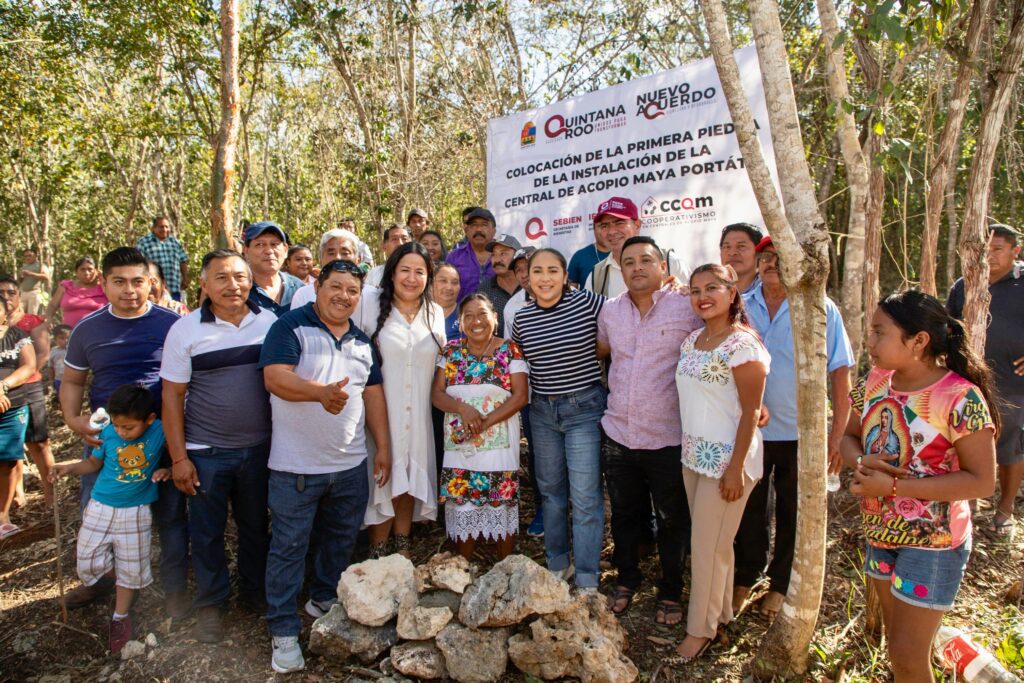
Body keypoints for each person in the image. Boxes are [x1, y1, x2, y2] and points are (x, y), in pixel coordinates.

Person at [842, 290, 998, 682]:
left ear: (918, 341)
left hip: (935, 545)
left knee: (907, 659)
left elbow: (982, 481)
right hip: (880, 534)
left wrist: (892, 490)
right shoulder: (874, 381)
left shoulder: (960, 397)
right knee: (901, 649)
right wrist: (860, 460)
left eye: (880, 333)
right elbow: (847, 437)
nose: (870, 342)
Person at [259, 259, 391, 674]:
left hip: (350, 465)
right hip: (295, 468)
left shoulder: (362, 342)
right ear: (318, 286)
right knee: (288, 549)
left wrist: (383, 448)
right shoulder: (289, 327)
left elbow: (372, 397)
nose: (343, 297)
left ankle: (322, 600)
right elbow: (275, 378)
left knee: (340, 540)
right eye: (336, 287)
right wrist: (318, 393)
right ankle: (282, 630)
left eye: (352, 291)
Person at [59, 247, 189, 617]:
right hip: (108, 437)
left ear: (151, 283)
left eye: (137, 282)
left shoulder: (171, 323)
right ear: (104, 284)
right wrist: (73, 419)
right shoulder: (88, 328)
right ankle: (99, 582)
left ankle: (174, 590)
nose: (129, 290)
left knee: (170, 515)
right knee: (95, 515)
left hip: (162, 436)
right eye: (119, 282)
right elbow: (72, 380)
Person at [733, 236, 855, 619]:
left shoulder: (819, 308)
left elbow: (840, 374)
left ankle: (781, 584)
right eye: (765, 258)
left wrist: (836, 436)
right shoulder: (741, 304)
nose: (771, 264)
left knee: (792, 510)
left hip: (802, 432)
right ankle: (745, 575)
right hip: (749, 431)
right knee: (748, 508)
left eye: (779, 257)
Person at [160, 250, 278, 643]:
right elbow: (172, 397)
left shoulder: (269, 322)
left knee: (255, 527)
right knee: (206, 532)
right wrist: (179, 458)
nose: (233, 286)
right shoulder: (186, 330)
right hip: (206, 452)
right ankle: (211, 604)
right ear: (204, 285)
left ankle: (254, 593)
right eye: (222, 278)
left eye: (241, 277)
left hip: (260, 449)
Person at [595, 237, 701, 624]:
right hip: (619, 432)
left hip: (668, 435)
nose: (637, 267)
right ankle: (626, 580)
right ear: (619, 270)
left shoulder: (686, 306)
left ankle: (671, 591)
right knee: (623, 514)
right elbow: (602, 351)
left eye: (646, 260)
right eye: (629, 262)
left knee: (673, 517)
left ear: (662, 267)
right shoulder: (610, 312)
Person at [673, 263, 769, 663]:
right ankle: (722, 612)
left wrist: (734, 467)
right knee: (715, 544)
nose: (702, 296)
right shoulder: (692, 340)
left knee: (706, 548)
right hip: (694, 456)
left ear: (733, 293)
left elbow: (751, 412)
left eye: (712, 287)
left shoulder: (743, 345)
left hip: (729, 462)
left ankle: (700, 630)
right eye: (695, 290)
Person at [48, 385, 170, 654]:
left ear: (148, 419)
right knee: (87, 561)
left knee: (132, 569)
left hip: (135, 511)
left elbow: (177, 453)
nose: (121, 432)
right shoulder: (108, 432)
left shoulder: (159, 429)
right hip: (100, 505)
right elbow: (93, 464)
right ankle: (119, 580)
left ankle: (121, 616)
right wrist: (68, 468)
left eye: (128, 428)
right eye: (117, 425)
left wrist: (168, 469)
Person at [511, 248, 606, 591]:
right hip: (542, 413)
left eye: (553, 270)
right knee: (550, 493)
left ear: (566, 276)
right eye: (538, 271)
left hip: (584, 409)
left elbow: (623, 320)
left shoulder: (589, 304)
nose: (545, 277)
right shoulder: (521, 320)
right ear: (528, 278)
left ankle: (587, 577)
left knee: (585, 496)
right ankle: (557, 563)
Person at [432, 293, 528, 560]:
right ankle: (463, 570)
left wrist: (482, 423)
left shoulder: (509, 350)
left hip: (499, 448)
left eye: (483, 314)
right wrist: (463, 409)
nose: (476, 321)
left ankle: (506, 569)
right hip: (459, 447)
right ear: (460, 323)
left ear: (495, 319)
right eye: (469, 316)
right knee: (463, 507)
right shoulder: (450, 352)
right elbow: (437, 395)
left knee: (501, 504)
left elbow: (521, 396)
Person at [365, 242, 446, 557]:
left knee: (411, 472)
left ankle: (402, 544)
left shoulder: (434, 312)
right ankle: (377, 548)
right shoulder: (370, 305)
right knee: (383, 476)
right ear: (391, 273)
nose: (412, 278)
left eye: (420, 272)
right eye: (405, 270)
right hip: (382, 411)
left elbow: (441, 364)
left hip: (420, 413)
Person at [947, 223, 1024, 538]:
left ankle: (1004, 511)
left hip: (1014, 384)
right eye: (986, 249)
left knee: (1012, 448)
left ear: (1015, 251)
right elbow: (948, 327)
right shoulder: (964, 285)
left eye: (998, 249)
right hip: (969, 382)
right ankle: (969, 505)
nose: (990, 256)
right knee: (967, 442)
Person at [0, 277, 55, 509]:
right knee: (11, 448)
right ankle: (16, 496)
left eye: (11, 292)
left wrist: (15, 381)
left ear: (19, 295)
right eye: (1, 293)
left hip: (28, 387)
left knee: (38, 443)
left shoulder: (30, 322)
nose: (7, 297)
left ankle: (51, 494)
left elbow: (41, 355)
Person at [501, 246, 542, 538]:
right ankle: (543, 510)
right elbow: (511, 354)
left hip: (571, 391)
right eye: (519, 269)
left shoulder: (573, 295)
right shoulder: (513, 306)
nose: (525, 274)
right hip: (532, 392)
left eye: (530, 266)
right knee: (539, 454)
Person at [585, 197, 689, 297]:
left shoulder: (671, 262)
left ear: (637, 225)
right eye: (604, 226)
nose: (611, 231)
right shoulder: (596, 275)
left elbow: (694, 308)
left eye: (619, 223)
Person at [0, 303, 36, 540]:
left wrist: (2, 386)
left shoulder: (18, 336)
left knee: (8, 462)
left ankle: (3, 518)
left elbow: (29, 366)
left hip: (12, 408)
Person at [242, 221, 303, 315]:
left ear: (286, 250)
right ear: (246, 251)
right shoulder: (240, 291)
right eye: (260, 244)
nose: (269, 251)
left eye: (275, 244)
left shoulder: (299, 289)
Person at [475, 234, 522, 337]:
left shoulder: (529, 286)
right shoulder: (484, 290)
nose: (497, 260)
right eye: (494, 254)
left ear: (517, 256)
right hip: (498, 351)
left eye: (503, 254)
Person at [136, 216, 190, 302]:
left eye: (167, 227)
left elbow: (182, 260)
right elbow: (138, 264)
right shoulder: (144, 242)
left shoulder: (174, 242)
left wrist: (185, 278)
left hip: (174, 287)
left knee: (175, 312)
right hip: (154, 289)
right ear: (154, 228)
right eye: (161, 227)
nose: (164, 229)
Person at [447, 208, 497, 302]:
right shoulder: (454, 257)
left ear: (494, 231)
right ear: (467, 230)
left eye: (484, 225)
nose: (478, 229)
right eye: (474, 225)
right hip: (461, 315)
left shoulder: (503, 257)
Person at [45, 256, 107, 327]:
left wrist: (103, 281)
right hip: (68, 334)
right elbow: (52, 305)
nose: (86, 273)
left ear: (96, 271)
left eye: (90, 269)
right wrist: (48, 319)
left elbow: (115, 305)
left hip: (98, 332)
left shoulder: (104, 288)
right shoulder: (66, 286)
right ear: (76, 272)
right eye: (82, 269)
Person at [719, 223, 764, 294]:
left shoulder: (771, 290)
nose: (732, 253)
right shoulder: (711, 291)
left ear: (758, 253)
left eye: (741, 246)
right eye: (727, 247)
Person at [567, 220, 610, 288]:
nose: (607, 231)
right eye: (602, 226)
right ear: (594, 229)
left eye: (609, 226)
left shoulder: (625, 253)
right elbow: (570, 292)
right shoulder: (579, 256)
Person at [433, 263, 461, 341]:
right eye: (443, 281)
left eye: (455, 282)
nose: (449, 287)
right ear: (430, 284)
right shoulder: (418, 313)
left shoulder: (465, 314)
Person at [19, 248, 51, 315]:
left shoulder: (40, 265)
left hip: (34, 293)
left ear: (36, 256)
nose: (27, 258)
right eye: (25, 256)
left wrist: (30, 274)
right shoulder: (24, 266)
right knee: (20, 314)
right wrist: (21, 276)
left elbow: (46, 277)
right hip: (23, 292)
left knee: (32, 314)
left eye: (29, 255)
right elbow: (20, 280)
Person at [49, 325, 71, 395]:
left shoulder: (73, 351)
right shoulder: (53, 351)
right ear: (55, 339)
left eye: (68, 338)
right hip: (58, 380)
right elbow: (50, 366)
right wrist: (52, 380)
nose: (66, 340)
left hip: (72, 380)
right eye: (62, 338)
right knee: (62, 398)